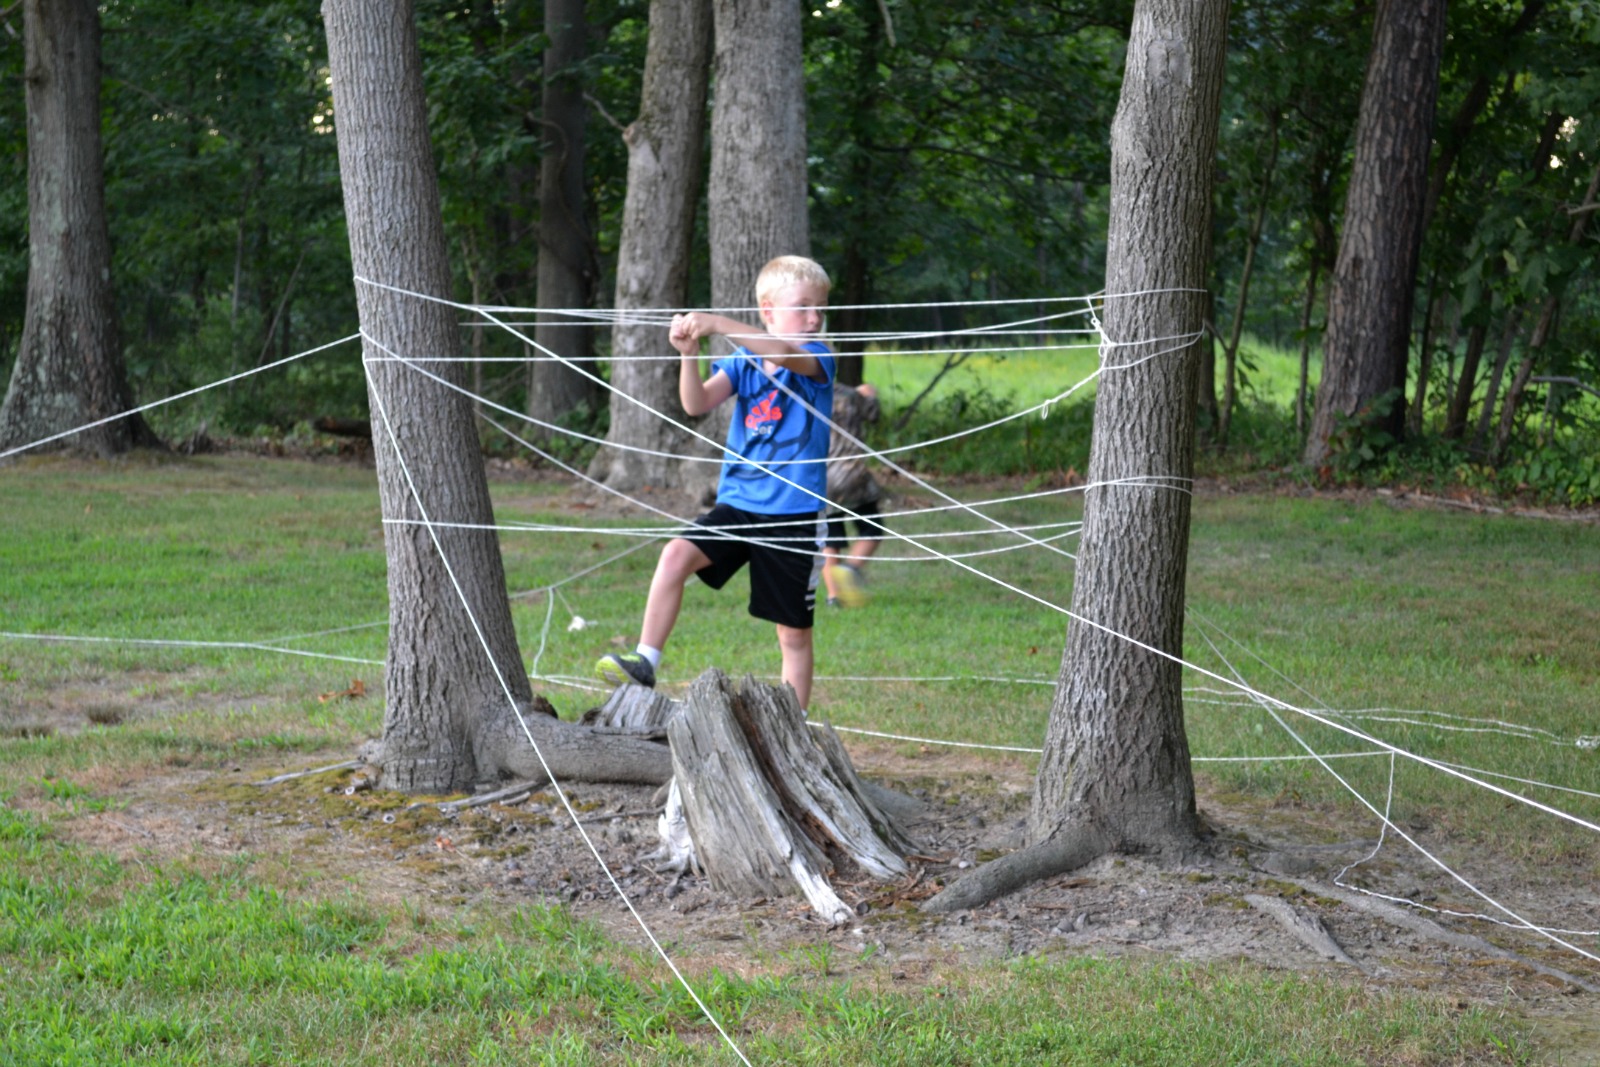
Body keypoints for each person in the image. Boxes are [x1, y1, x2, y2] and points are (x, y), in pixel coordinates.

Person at [595, 255, 835, 709]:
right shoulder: (744, 361)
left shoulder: (818, 357)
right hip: (740, 504)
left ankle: (794, 728)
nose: (815, 317)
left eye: (820, 307)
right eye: (803, 306)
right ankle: (645, 660)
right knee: (675, 556)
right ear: (768, 310)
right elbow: (696, 403)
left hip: (794, 515)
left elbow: (782, 353)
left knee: (793, 633)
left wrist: (714, 321)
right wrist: (690, 356)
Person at [821, 381, 884, 608]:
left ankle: (833, 596)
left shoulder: (804, 396)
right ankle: (850, 567)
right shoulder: (851, 396)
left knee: (831, 537)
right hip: (851, 474)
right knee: (872, 528)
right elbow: (874, 415)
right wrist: (869, 396)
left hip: (820, 477)